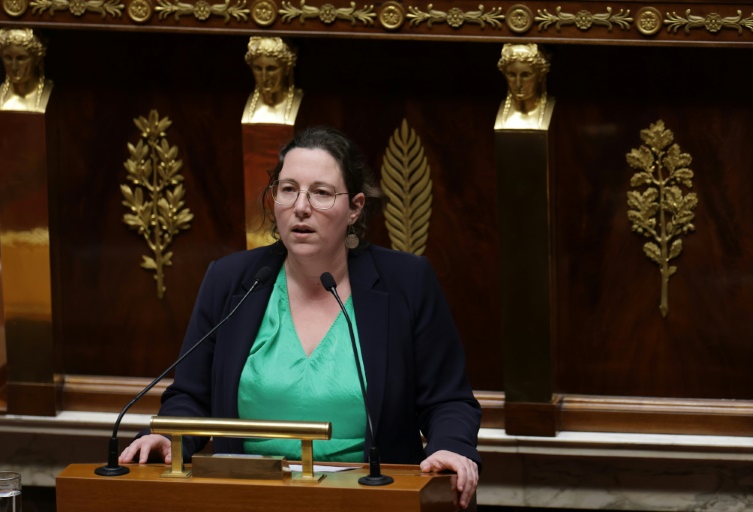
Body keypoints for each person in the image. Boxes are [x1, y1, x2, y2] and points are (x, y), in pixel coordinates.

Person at [120, 126, 481, 508]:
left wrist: (451, 448)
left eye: (321, 193)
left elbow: (448, 400)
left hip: (372, 498)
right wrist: (167, 437)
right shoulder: (231, 282)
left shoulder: (406, 282)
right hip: (246, 497)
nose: (301, 206)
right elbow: (191, 395)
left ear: (355, 207)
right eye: (288, 189)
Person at [241, 36, 303, 125]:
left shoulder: (299, 101)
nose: (264, 77)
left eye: (271, 69)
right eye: (258, 68)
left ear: (287, 68)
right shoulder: (249, 105)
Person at [495, 43, 554, 130]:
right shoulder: (496, 111)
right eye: (512, 75)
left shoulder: (554, 110)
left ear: (540, 75)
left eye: (525, 75)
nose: (518, 84)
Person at [0, 28, 53, 113]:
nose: (14, 67)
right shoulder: (1, 97)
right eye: (8, 58)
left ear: (37, 58)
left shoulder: (47, 92)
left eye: (21, 58)